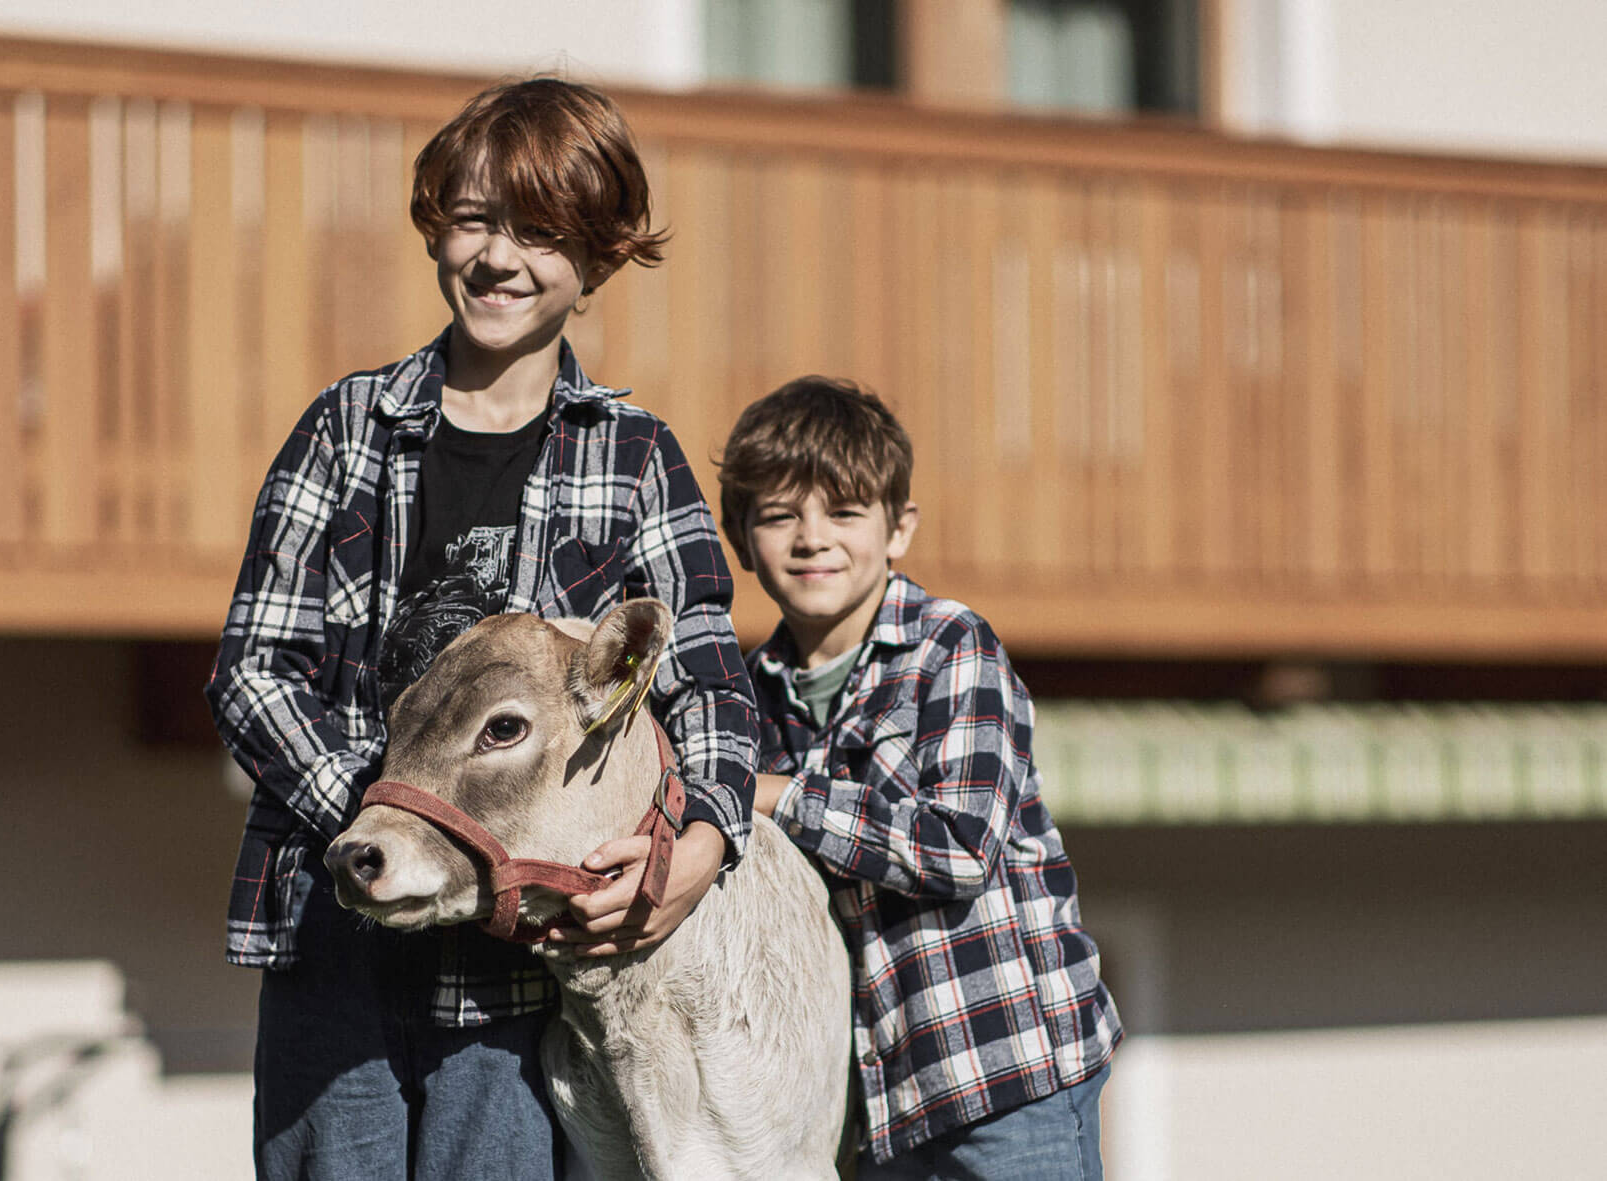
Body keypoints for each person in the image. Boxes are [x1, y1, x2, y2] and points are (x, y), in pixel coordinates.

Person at [207, 77, 758, 1181]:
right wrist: (395, 821)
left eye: (542, 233)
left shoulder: (638, 456)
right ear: (434, 229)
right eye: (475, 220)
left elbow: (708, 682)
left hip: (519, 978)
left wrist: (704, 846)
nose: (501, 257)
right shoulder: (344, 427)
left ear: (596, 261)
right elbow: (254, 670)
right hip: (332, 942)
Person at [715, 376, 1121, 1179]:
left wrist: (783, 796)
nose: (810, 538)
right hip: (871, 1100)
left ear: (898, 528)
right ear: (739, 536)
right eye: (778, 516)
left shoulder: (950, 648)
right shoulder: (746, 697)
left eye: (843, 511)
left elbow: (960, 846)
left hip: (1005, 1074)